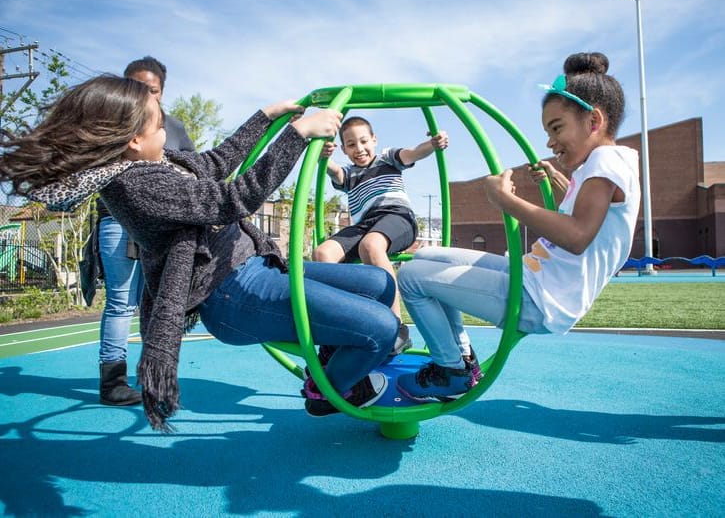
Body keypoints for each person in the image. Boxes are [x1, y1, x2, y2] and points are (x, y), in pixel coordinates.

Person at [1, 75, 399, 430]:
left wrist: (265, 115)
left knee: (379, 282)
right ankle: (324, 391)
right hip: (233, 294)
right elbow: (236, 196)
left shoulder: (161, 163)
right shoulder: (138, 185)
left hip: (256, 266)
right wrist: (296, 135)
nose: (167, 131)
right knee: (379, 329)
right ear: (134, 141)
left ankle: (334, 351)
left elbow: (217, 161)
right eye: (161, 125)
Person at [395, 52, 640, 402]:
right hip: (531, 276)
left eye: (557, 128)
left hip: (540, 299)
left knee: (411, 279)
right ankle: (461, 357)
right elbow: (583, 219)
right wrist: (559, 180)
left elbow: (576, 236)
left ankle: (451, 369)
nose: (551, 142)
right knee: (426, 256)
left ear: (594, 121)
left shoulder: (605, 160)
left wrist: (505, 202)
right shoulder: (603, 164)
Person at [95, 56, 194, 407]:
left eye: (150, 89)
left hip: (160, 227)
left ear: (162, 92)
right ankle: (113, 381)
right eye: (135, 87)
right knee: (121, 302)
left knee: (153, 300)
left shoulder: (174, 129)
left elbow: (197, 173)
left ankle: (151, 375)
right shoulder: (111, 127)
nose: (143, 94)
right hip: (118, 222)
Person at [312, 116, 449, 355]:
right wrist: (322, 154)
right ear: (344, 149)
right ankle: (344, 323)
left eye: (363, 141)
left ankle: (396, 328)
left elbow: (414, 153)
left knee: (371, 246)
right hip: (364, 225)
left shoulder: (388, 158)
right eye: (351, 144)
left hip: (397, 217)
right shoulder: (348, 174)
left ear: (373, 140)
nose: (359, 149)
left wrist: (433, 145)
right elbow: (333, 170)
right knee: (322, 253)